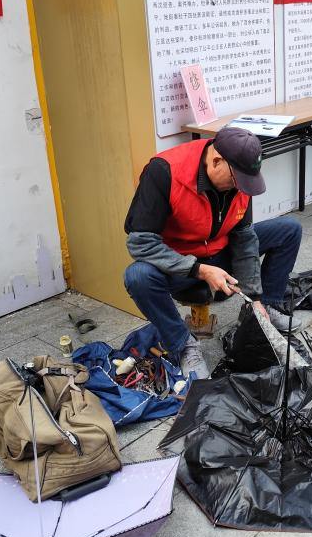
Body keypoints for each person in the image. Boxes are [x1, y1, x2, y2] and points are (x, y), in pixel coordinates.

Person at [124, 128, 302, 378]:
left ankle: (265, 310)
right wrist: (199, 270)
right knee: (137, 276)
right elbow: (140, 243)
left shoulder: (239, 175)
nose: (239, 187)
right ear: (216, 161)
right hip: (180, 263)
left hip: (220, 250)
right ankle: (183, 345)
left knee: (289, 229)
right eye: (236, 180)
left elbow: (244, 236)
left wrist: (254, 297)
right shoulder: (164, 172)